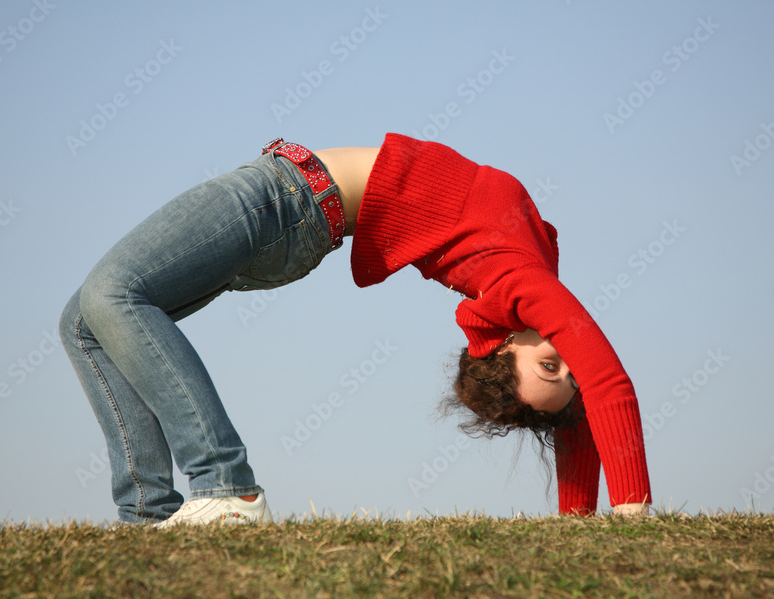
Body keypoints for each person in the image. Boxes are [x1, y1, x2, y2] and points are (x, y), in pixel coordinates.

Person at [59, 135, 652, 527]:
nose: (565, 354)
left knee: (110, 294)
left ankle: (226, 487)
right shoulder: (527, 274)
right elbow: (584, 413)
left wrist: (630, 513)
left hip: (288, 202)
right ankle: (148, 517)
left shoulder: (519, 279)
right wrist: (582, 525)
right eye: (561, 365)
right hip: (292, 213)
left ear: (501, 349)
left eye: (552, 368)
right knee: (84, 324)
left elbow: (609, 383)